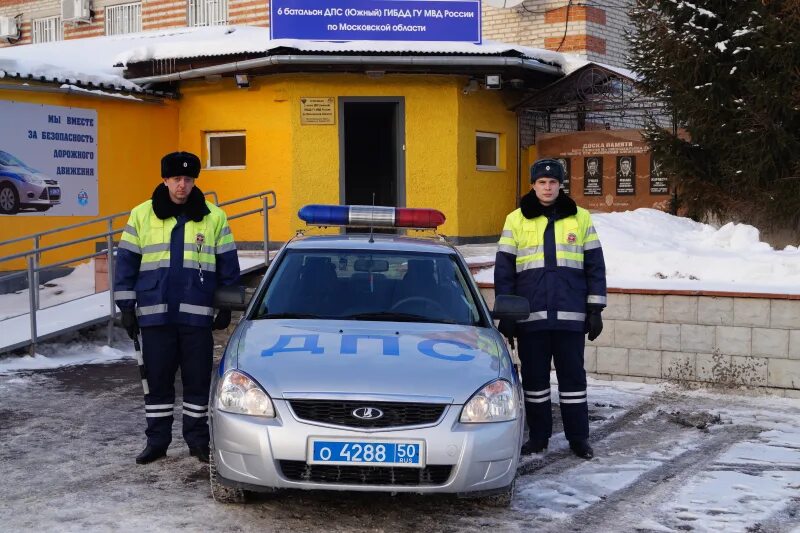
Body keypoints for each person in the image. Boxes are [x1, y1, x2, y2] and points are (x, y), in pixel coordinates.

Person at [114, 151, 240, 465]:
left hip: (197, 318)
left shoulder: (214, 216)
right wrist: (126, 307)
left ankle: (197, 441)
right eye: (175, 179)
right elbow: (126, 263)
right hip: (155, 315)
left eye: (187, 179)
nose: (182, 185)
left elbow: (228, 265)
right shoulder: (142, 214)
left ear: (195, 180)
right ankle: (157, 442)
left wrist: (225, 305)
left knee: (197, 382)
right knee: (157, 382)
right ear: (165, 179)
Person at [495, 158, 606, 460]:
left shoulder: (579, 218)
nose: (547, 187)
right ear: (532, 185)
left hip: (570, 316)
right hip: (531, 318)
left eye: (553, 182)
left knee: (573, 381)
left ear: (560, 185)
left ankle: (578, 438)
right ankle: (539, 437)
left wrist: (595, 309)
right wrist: (507, 313)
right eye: (541, 182)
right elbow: (504, 272)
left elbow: (595, 266)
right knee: (535, 383)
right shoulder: (516, 219)